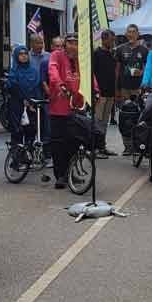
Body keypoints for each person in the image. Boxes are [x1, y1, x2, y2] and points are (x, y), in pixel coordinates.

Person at [47, 33, 86, 189]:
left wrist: (95, 89)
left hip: (76, 107)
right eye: (70, 43)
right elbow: (53, 71)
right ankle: (60, 175)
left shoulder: (81, 58)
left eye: (76, 43)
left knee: (75, 143)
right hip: (58, 108)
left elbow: (89, 75)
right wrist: (60, 84)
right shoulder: (57, 55)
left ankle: (70, 173)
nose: (73, 46)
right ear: (65, 44)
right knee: (58, 144)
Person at [114, 24, 149, 155]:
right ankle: (127, 146)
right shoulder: (120, 49)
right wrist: (116, 88)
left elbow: (148, 68)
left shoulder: (144, 50)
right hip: (124, 88)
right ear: (126, 34)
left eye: (134, 32)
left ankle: (137, 145)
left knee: (138, 118)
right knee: (124, 118)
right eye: (129, 32)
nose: (131, 34)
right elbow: (117, 70)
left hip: (138, 89)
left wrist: (142, 74)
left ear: (138, 34)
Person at [3, 45, 42, 146]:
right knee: (17, 133)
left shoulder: (34, 71)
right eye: (20, 54)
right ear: (16, 56)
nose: (24, 56)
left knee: (31, 132)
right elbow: (12, 87)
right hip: (17, 106)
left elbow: (37, 88)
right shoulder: (14, 71)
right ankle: (17, 159)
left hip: (32, 106)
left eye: (25, 54)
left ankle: (29, 157)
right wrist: (23, 99)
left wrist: (33, 103)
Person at [92, 29, 118, 158]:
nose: (113, 43)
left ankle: (102, 147)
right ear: (104, 39)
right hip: (100, 94)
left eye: (114, 40)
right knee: (97, 121)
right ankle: (96, 148)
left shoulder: (112, 54)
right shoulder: (96, 53)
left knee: (105, 122)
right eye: (111, 40)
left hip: (110, 93)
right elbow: (92, 74)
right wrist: (95, 91)